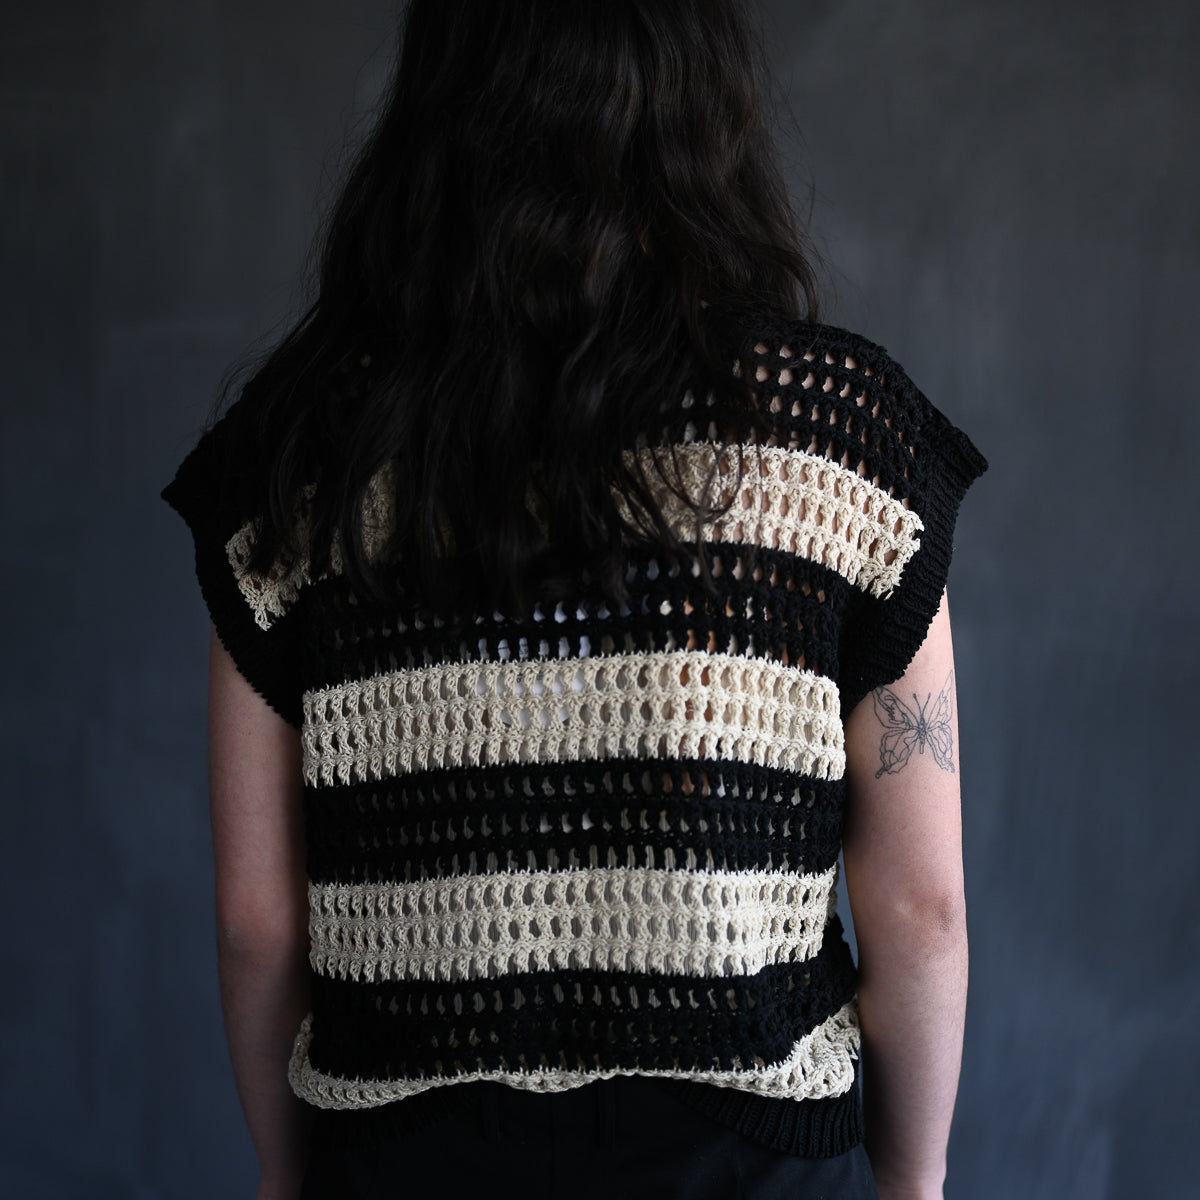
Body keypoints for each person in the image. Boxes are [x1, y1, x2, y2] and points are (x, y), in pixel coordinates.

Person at [163, 1, 987, 1197]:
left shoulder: (302, 457)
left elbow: (257, 921)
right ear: (700, 106)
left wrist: (288, 1181)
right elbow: (921, 907)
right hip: (750, 1165)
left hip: (406, 1160)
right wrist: (914, 1182)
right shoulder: (843, 445)